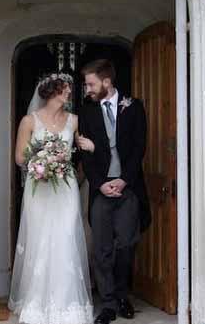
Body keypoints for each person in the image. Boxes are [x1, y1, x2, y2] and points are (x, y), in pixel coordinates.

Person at [9, 73, 94, 324]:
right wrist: (44, 161)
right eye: (64, 89)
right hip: (40, 188)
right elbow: (19, 158)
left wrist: (79, 156)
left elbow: (83, 153)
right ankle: (37, 304)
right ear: (50, 92)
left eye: (68, 89)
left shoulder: (75, 120)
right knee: (41, 240)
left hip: (66, 188)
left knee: (66, 237)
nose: (69, 93)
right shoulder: (29, 121)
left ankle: (67, 304)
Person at [77, 60, 151, 324]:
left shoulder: (134, 107)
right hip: (100, 189)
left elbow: (138, 147)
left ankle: (122, 296)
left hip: (128, 187)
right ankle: (107, 304)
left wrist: (124, 180)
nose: (87, 89)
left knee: (127, 245)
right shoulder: (87, 110)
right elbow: (86, 155)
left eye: (91, 84)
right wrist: (99, 183)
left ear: (107, 82)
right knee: (102, 248)